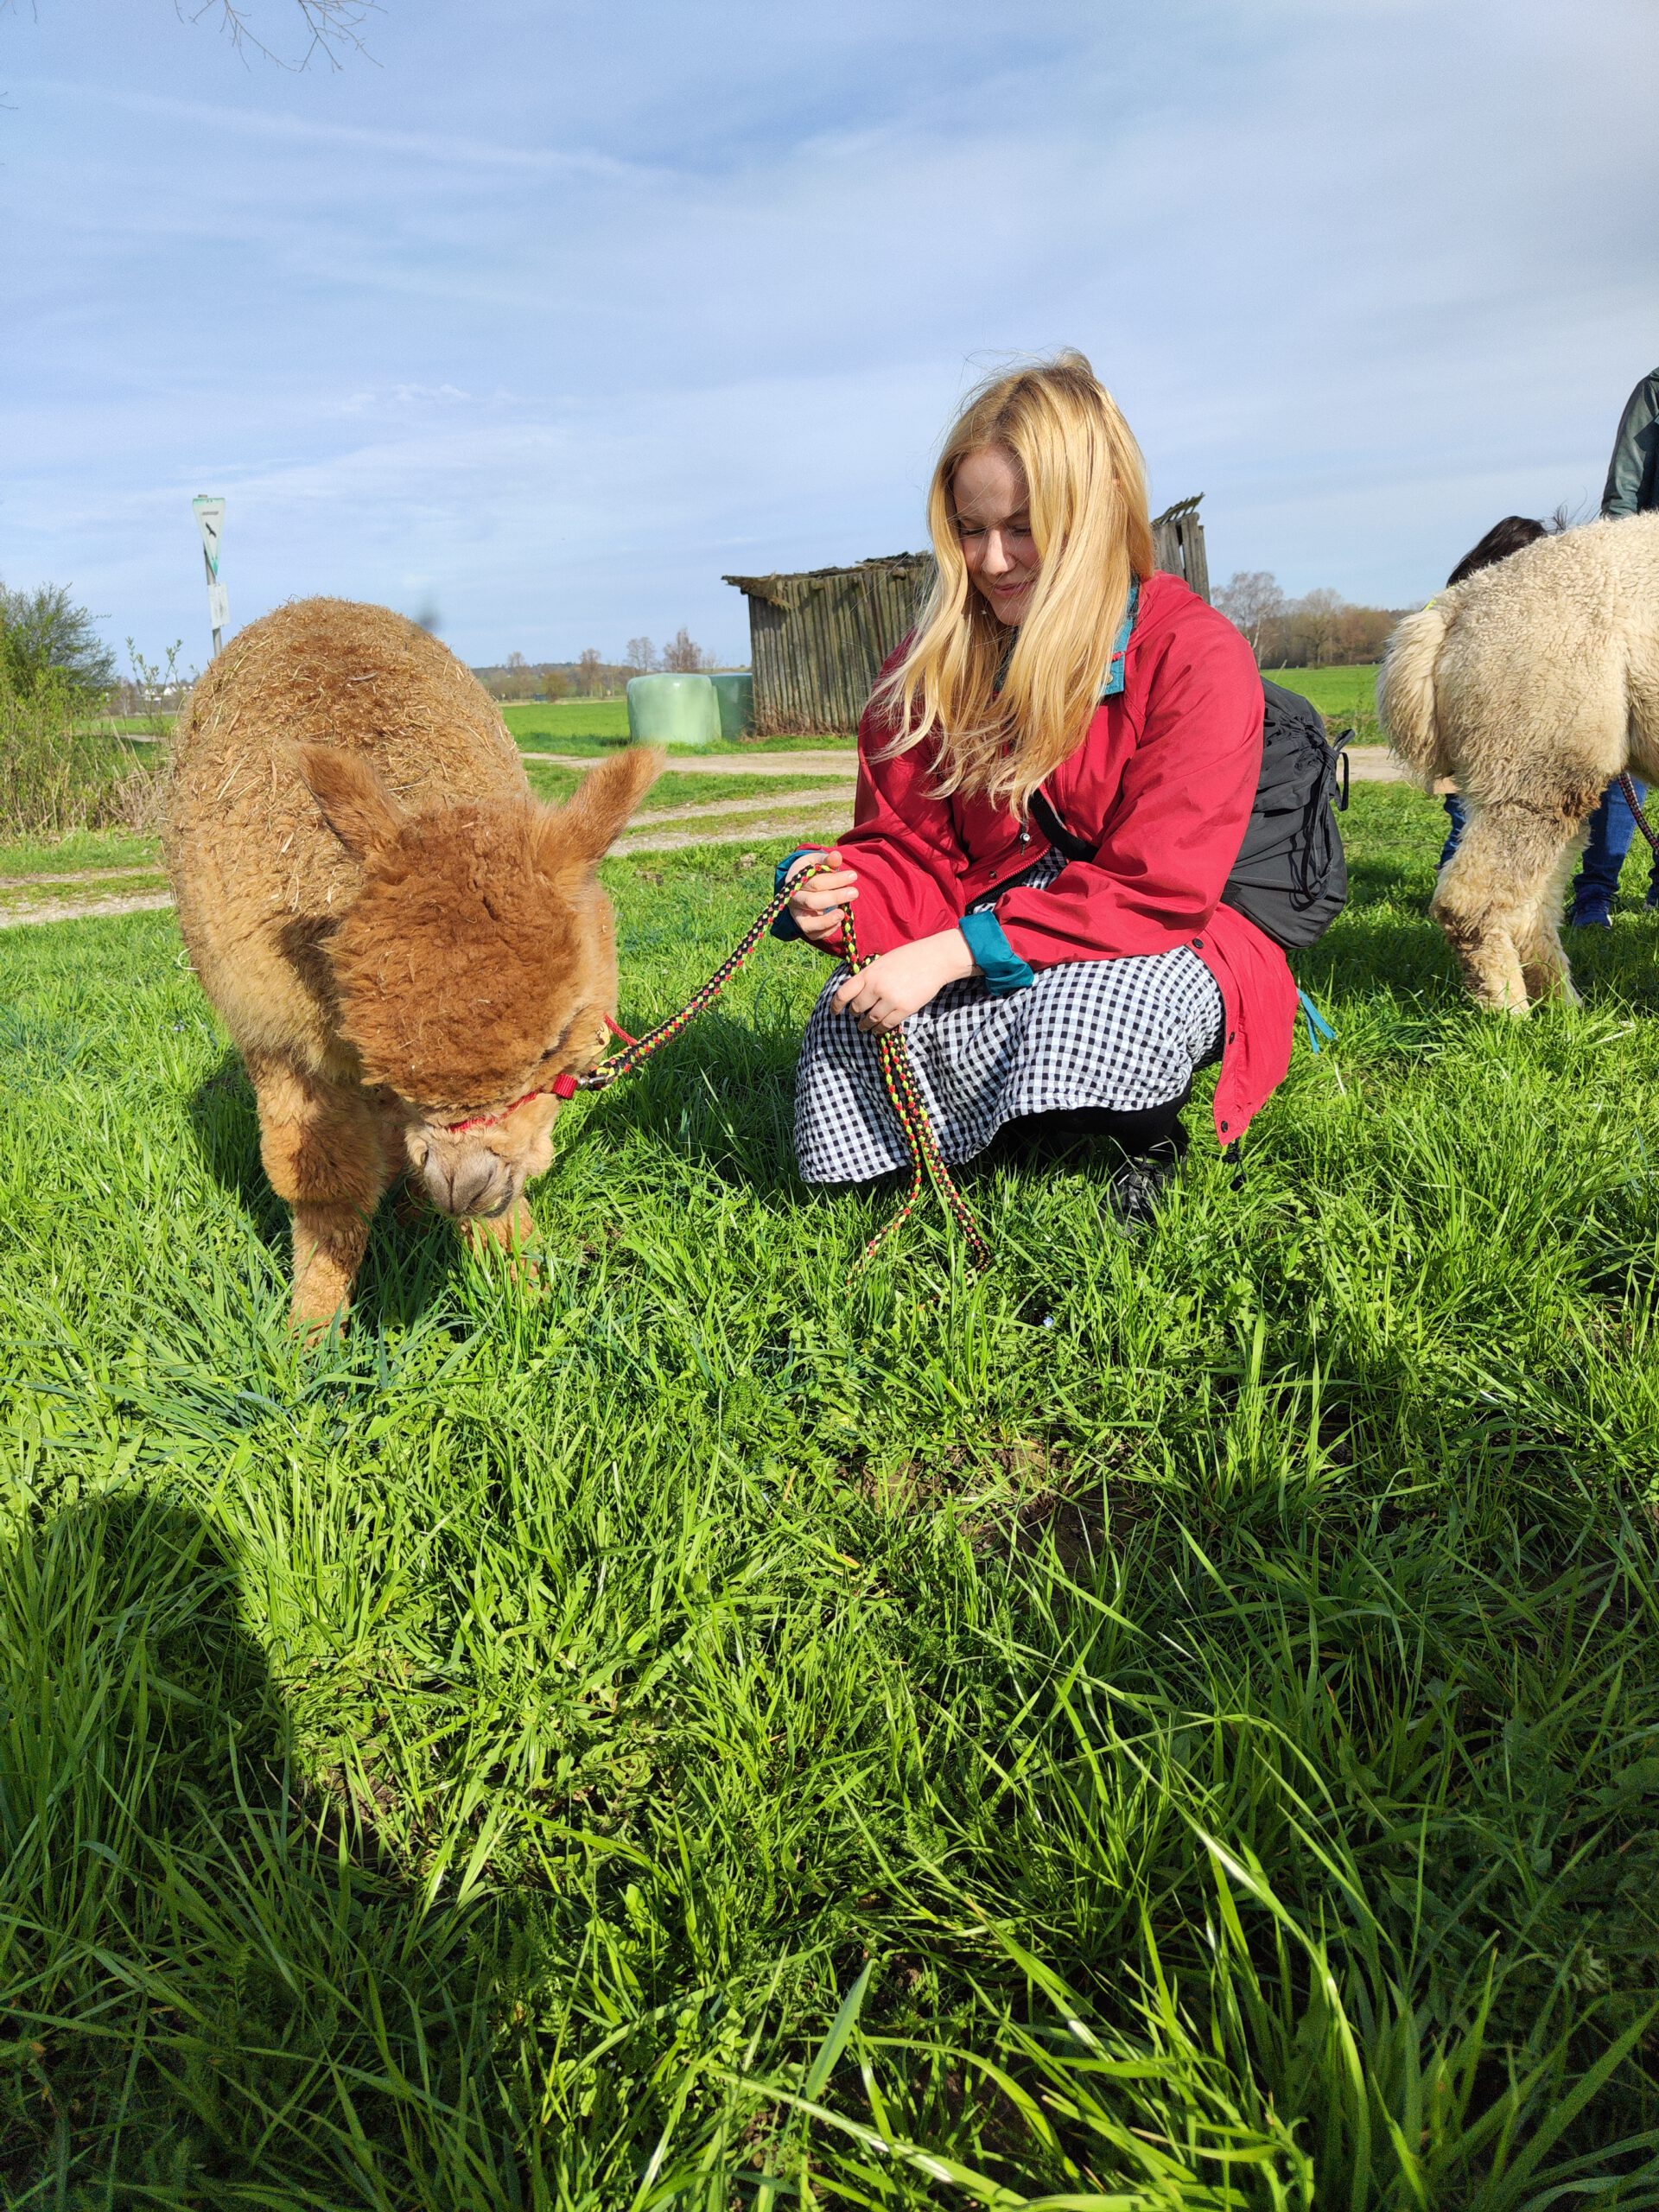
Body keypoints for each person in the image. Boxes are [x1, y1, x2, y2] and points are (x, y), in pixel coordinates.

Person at [772, 353, 1297, 1224]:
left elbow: (1157, 888)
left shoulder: (1194, 653)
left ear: (1092, 510)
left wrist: (952, 954)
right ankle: (1013, 1121)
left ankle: (1143, 1137)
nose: (992, 560)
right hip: (994, 920)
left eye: (1022, 527)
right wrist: (838, 892)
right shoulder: (926, 668)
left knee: (1105, 1005)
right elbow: (912, 853)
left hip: (1163, 930)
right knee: (847, 1016)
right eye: (970, 530)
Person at [1565, 365, 1659, 925]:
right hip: (1649, 589)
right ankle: (1595, 893)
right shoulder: (1656, 390)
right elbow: (1624, 495)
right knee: (1627, 748)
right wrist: (1620, 588)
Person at [1435, 516, 1549, 870]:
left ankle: (1458, 878)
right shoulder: (1487, 605)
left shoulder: (1457, 595)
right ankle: (1456, 884)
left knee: (1469, 821)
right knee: (1471, 822)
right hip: (1482, 732)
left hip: (1465, 731)